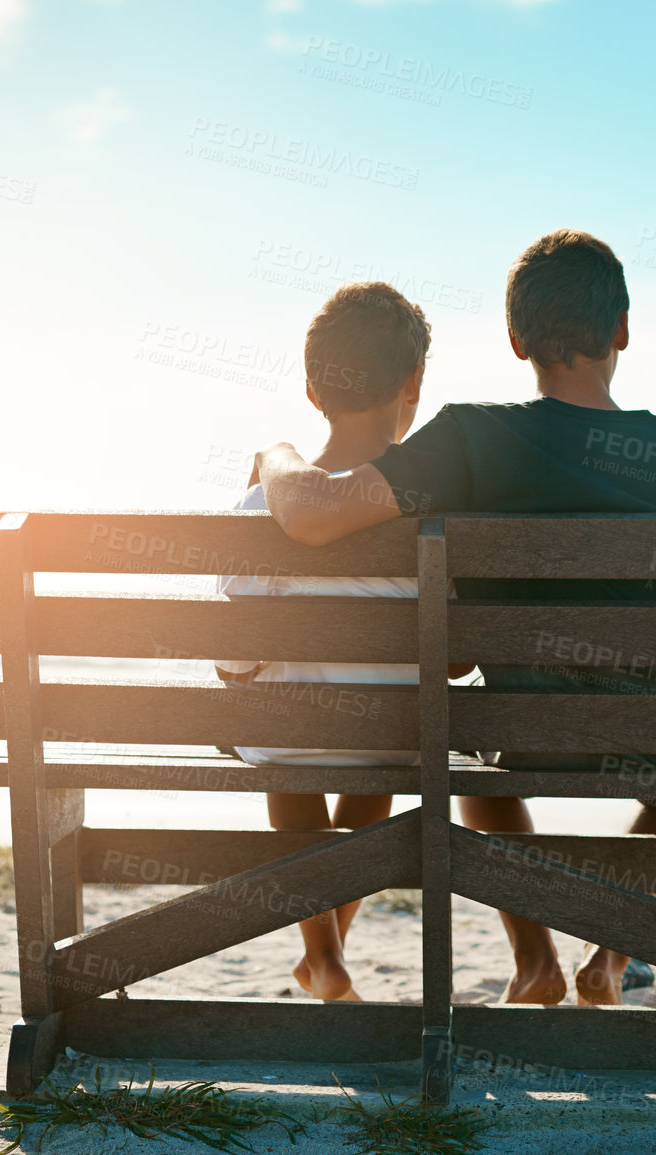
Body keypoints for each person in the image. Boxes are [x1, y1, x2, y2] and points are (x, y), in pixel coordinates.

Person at [250, 229, 656, 1006]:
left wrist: (274, 453)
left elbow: (311, 514)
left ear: (514, 340)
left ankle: (535, 957)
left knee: (475, 748)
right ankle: (607, 958)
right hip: (654, 735)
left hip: (519, 725)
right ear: (622, 329)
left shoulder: (471, 436)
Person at [215, 281, 471, 1002]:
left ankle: (322, 956)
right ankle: (325, 953)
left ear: (310, 387)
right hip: (387, 739)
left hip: (282, 736)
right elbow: (455, 659)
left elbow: (232, 656)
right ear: (412, 383)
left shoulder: (259, 500)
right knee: (386, 745)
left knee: (282, 742)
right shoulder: (426, 511)